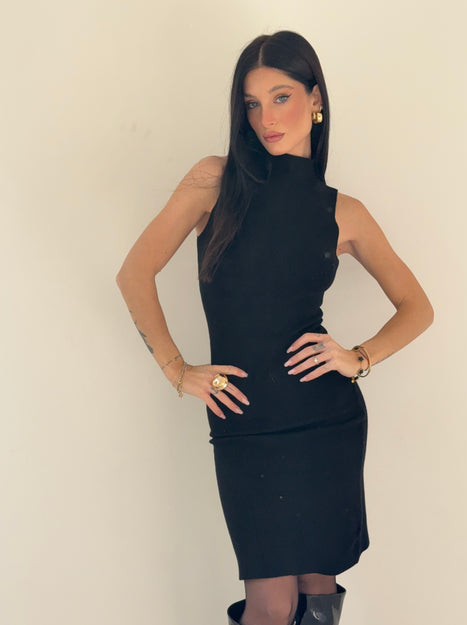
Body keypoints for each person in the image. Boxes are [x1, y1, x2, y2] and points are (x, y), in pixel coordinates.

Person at [116, 30, 433, 625]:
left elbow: (417, 306)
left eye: (281, 97)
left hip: (326, 422)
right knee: (271, 604)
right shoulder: (213, 180)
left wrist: (358, 357)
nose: (265, 117)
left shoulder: (343, 212)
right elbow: (134, 273)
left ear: (315, 99)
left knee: (317, 595)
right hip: (244, 420)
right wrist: (177, 370)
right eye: (252, 102)